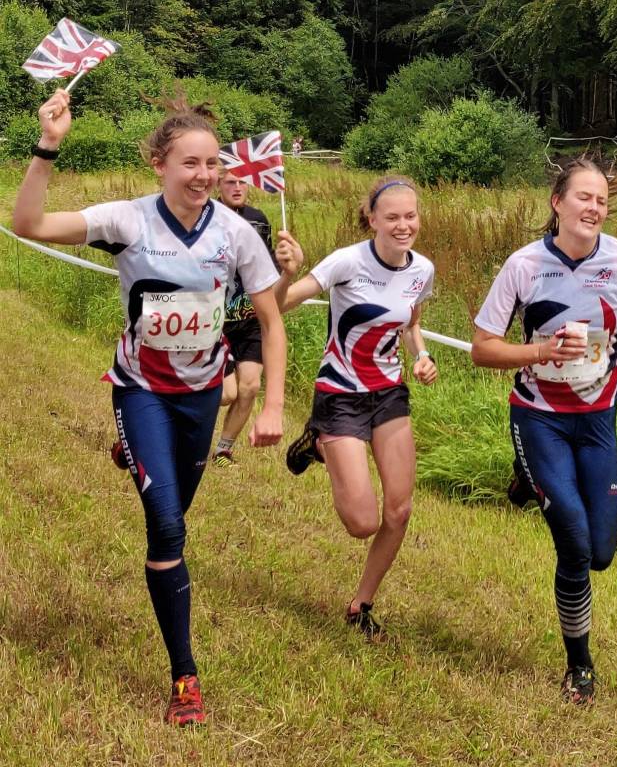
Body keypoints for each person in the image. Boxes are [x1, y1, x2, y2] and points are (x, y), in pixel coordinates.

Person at [12, 88, 287, 726]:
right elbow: (28, 225)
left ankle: (138, 455)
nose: (204, 175)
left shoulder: (237, 232)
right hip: (140, 390)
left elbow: (271, 322)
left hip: (200, 398)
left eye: (213, 164)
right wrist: (48, 145)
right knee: (166, 527)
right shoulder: (128, 220)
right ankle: (184, 676)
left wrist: (271, 404)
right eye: (190, 163)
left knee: (175, 510)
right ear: (159, 164)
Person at [471, 158, 617, 706]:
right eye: (583, 197)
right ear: (557, 203)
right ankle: (579, 664)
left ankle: (528, 480)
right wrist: (540, 350)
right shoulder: (524, 265)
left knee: (602, 553)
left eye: (602, 200)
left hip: (598, 421)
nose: (593, 207)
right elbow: (482, 348)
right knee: (573, 541)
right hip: (538, 415)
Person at [272, 175, 437, 639]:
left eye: (411, 216)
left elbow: (411, 324)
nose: (403, 226)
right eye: (393, 217)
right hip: (341, 394)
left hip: (389, 394)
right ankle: (318, 441)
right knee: (362, 523)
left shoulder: (422, 269)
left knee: (399, 512)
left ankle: (360, 604)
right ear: (372, 219)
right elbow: (280, 304)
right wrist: (287, 272)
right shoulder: (346, 261)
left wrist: (422, 356)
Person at [212, 171, 279, 467]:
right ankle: (178, 420)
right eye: (230, 182)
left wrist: (285, 270)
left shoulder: (258, 219)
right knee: (227, 394)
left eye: (242, 182)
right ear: (218, 185)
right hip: (214, 322)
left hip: (250, 319)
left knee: (250, 386)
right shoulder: (206, 216)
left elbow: (269, 268)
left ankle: (223, 450)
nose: (237, 188)